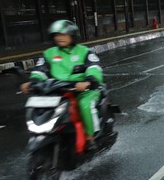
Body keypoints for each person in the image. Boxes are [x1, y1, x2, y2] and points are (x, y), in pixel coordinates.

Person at [21, 20, 103, 151]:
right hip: (57, 90)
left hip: (82, 90)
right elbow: (40, 70)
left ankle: (90, 137)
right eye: (56, 35)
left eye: (63, 34)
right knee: (40, 107)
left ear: (72, 35)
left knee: (84, 105)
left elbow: (94, 68)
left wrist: (88, 81)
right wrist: (33, 81)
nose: (59, 37)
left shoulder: (84, 51)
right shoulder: (49, 53)